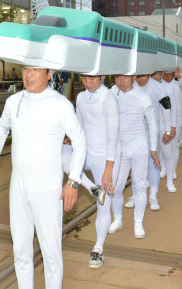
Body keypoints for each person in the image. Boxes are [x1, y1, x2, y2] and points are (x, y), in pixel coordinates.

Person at [0, 66, 86, 289]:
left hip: (48, 191)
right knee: (20, 249)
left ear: (49, 74)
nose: (29, 75)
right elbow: (1, 129)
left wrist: (73, 181)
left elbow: (79, 140)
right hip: (18, 189)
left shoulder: (60, 105)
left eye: (36, 70)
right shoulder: (14, 101)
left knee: (51, 253)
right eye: (26, 69)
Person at [61, 74, 117, 268]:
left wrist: (109, 169)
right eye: (84, 79)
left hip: (105, 156)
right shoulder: (81, 97)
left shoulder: (109, 99)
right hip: (85, 151)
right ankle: (92, 188)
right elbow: (78, 126)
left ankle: (98, 248)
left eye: (92, 79)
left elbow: (113, 138)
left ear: (101, 77)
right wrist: (69, 138)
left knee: (104, 205)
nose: (88, 83)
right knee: (61, 153)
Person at [108, 74, 158, 239]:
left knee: (139, 185)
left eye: (125, 77)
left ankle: (138, 223)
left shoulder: (142, 97)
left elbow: (151, 123)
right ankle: (118, 219)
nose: (121, 81)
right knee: (115, 186)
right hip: (119, 148)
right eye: (117, 78)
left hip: (139, 146)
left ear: (132, 78)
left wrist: (153, 149)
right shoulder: (111, 94)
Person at [134, 71, 173, 209]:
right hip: (136, 133)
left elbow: (166, 110)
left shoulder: (158, 87)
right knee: (137, 165)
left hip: (153, 132)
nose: (139, 79)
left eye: (142, 76)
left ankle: (153, 197)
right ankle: (137, 194)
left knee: (152, 164)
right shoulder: (132, 86)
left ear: (148, 74)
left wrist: (168, 130)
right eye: (137, 76)